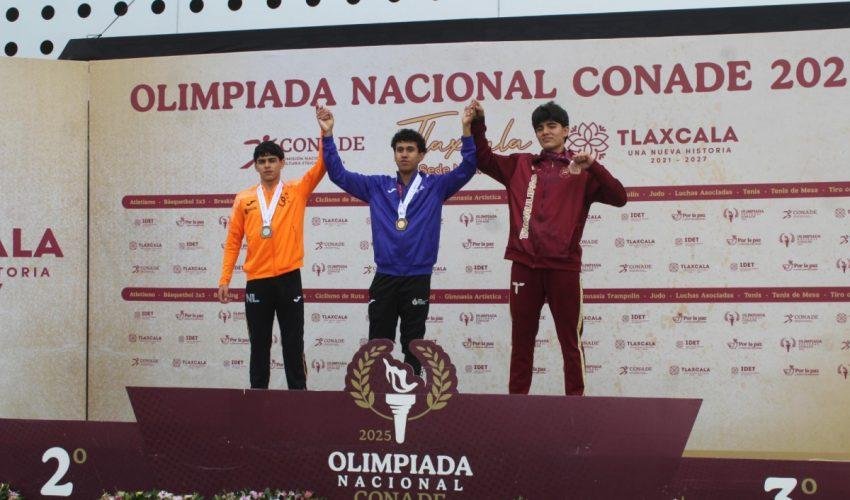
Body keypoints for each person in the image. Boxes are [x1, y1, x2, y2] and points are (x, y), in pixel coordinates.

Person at [469, 100, 627, 396]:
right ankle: (517, 408)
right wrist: (478, 124)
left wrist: (593, 166)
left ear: (566, 130)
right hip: (524, 267)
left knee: (570, 342)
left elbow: (620, 197)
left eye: (552, 126)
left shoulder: (582, 171)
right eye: (540, 128)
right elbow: (483, 158)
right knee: (522, 342)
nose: (545, 132)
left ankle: (575, 409)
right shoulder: (520, 165)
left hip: (563, 268)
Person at [316, 104, 476, 375]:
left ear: (421, 155)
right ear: (394, 154)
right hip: (385, 276)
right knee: (378, 344)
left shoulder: (436, 186)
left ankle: (413, 392)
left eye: (410, 149)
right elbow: (338, 175)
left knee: (414, 344)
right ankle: (376, 390)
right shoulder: (377, 186)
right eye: (399, 149)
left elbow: (468, 167)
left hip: (417, 277)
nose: (404, 154)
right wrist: (328, 135)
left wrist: (466, 129)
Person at [218, 136, 326, 390]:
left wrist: (325, 133)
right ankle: (258, 401)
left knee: (293, 344)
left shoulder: (296, 190)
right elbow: (233, 241)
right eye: (262, 161)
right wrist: (225, 279)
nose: (267, 165)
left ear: (282, 163)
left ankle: (298, 398)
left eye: (272, 160)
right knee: (259, 345)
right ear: (255, 166)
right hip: (257, 281)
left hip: (289, 279)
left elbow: (322, 165)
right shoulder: (244, 199)